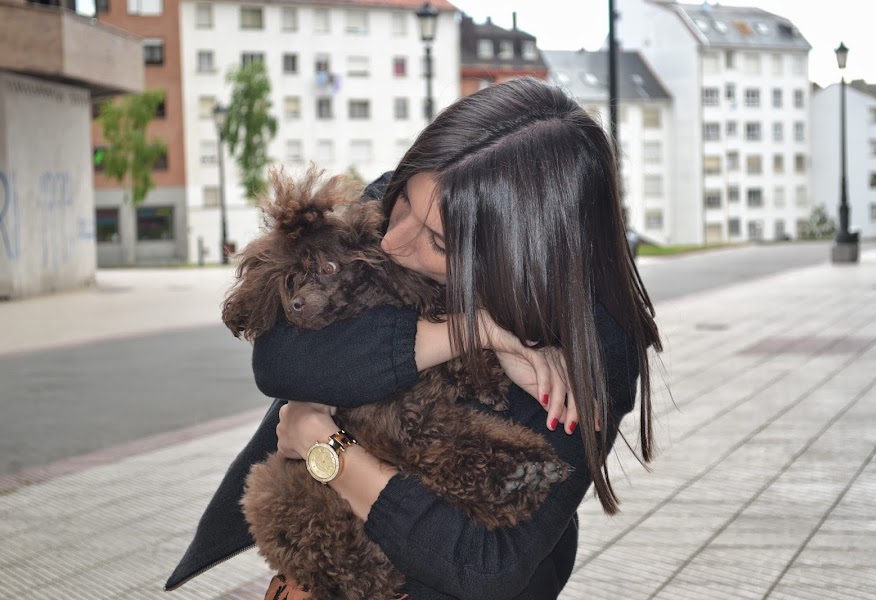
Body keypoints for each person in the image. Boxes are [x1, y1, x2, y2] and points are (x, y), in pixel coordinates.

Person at [166, 77, 661, 599]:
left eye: (439, 243)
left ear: (522, 257)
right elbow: (281, 359)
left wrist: (325, 447)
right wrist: (476, 331)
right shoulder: (399, 205)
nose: (392, 240)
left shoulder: (595, 341)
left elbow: (487, 566)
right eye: (403, 200)